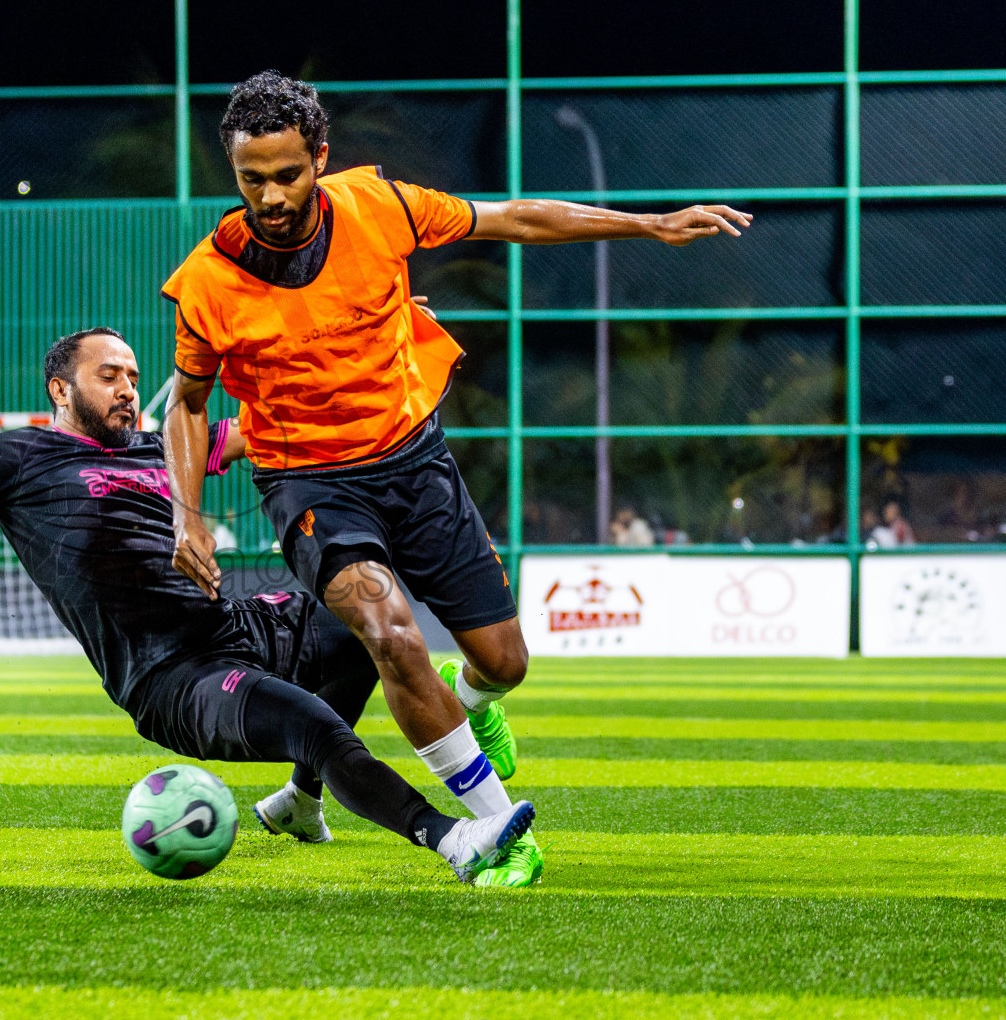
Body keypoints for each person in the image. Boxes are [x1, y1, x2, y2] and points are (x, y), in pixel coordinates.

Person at [161, 72, 752, 886]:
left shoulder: (382, 208)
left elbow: (513, 217)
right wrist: (186, 513)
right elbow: (188, 406)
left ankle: (448, 707)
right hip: (309, 483)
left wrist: (649, 226)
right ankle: (489, 827)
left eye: (287, 174)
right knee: (386, 626)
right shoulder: (208, 281)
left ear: (320, 158)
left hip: (415, 462)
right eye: (250, 179)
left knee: (504, 663)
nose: (269, 195)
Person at [0, 328, 535, 886]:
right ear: (59, 387)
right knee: (320, 727)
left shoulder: (158, 447)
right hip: (172, 675)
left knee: (360, 612)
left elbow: (276, 424)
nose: (129, 388)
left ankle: (301, 800)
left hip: (237, 626)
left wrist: (378, 351)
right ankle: (454, 839)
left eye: (136, 376)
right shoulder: (17, 457)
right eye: (110, 375)